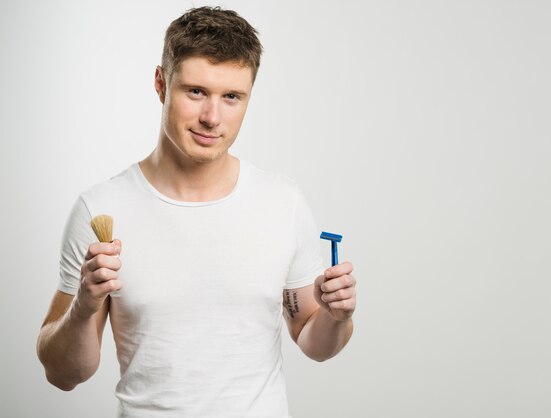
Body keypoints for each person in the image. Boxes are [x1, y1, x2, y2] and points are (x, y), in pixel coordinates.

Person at [36, 6, 356, 417]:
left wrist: (337, 317)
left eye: (231, 97)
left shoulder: (283, 201)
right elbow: (63, 375)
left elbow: (313, 341)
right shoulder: (101, 209)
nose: (212, 118)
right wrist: (83, 305)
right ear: (160, 83)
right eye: (196, 91)